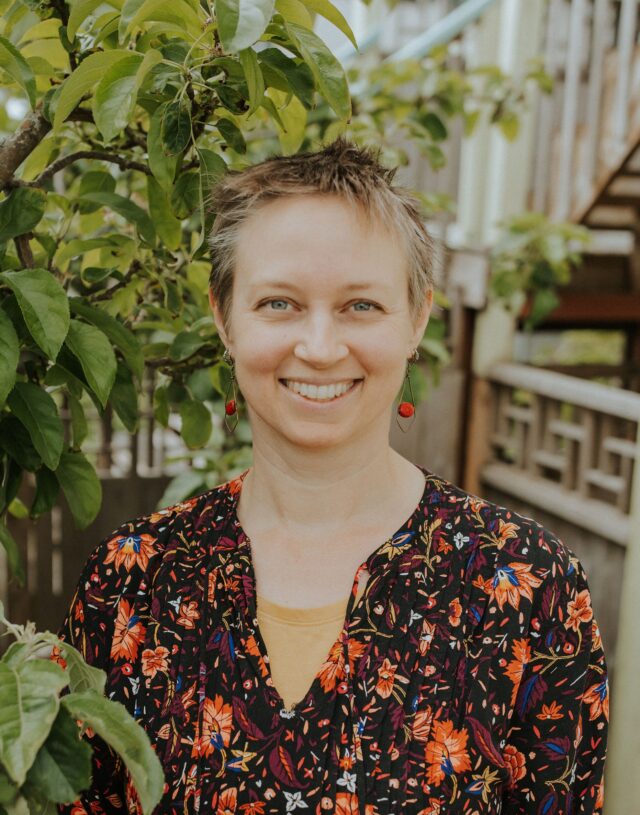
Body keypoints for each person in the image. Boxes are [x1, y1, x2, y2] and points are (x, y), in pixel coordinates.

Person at [56, 138, 608, 815]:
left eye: (361, 306)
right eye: (280, 303)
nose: (319, 348)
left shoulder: (529, 588)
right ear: (224, 316)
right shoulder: (132, 580)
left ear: (417, 319)